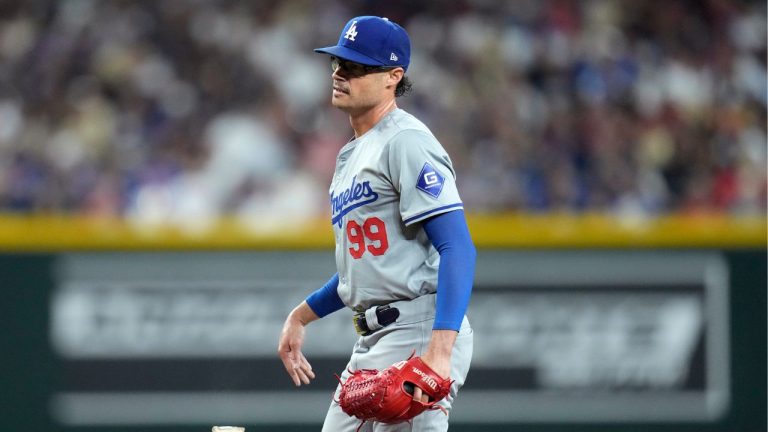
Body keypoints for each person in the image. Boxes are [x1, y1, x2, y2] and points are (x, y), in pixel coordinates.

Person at [277, 15, 476, 432]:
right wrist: (301, 315)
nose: (339, 73)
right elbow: (362, 268)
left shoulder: (406, 140)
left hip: (419, 329)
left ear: (393, 76)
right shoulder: (351, 155)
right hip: (374, 337)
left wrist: (440, 351)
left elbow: (457, 247)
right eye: (337, 63)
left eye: (356, 66)